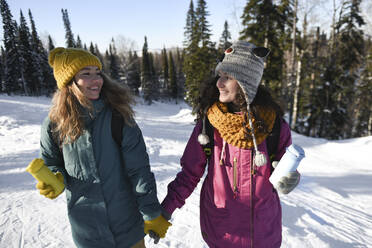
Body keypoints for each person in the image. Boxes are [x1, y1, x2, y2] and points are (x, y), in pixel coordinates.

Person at [161, 41, 300, 248]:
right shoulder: (210, 124)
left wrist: (290, 178)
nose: (219, 83)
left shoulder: (274, 126)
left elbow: (283, 169)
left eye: (228, 77)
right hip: (221, 232)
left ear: (246, 82)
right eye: (220, 76)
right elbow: (189, 174)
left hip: (263, 234)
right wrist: (165, 210)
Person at [34, 47, 171, 248]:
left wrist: (151, 213)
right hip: (87, 234)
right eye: (86, 74)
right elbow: (51, 163)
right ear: (69, 82)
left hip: (128, 230)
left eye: (98, 73)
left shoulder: (118, 116)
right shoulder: (54, 124)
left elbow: (139, 170)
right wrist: (55, 178)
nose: (96, 80)